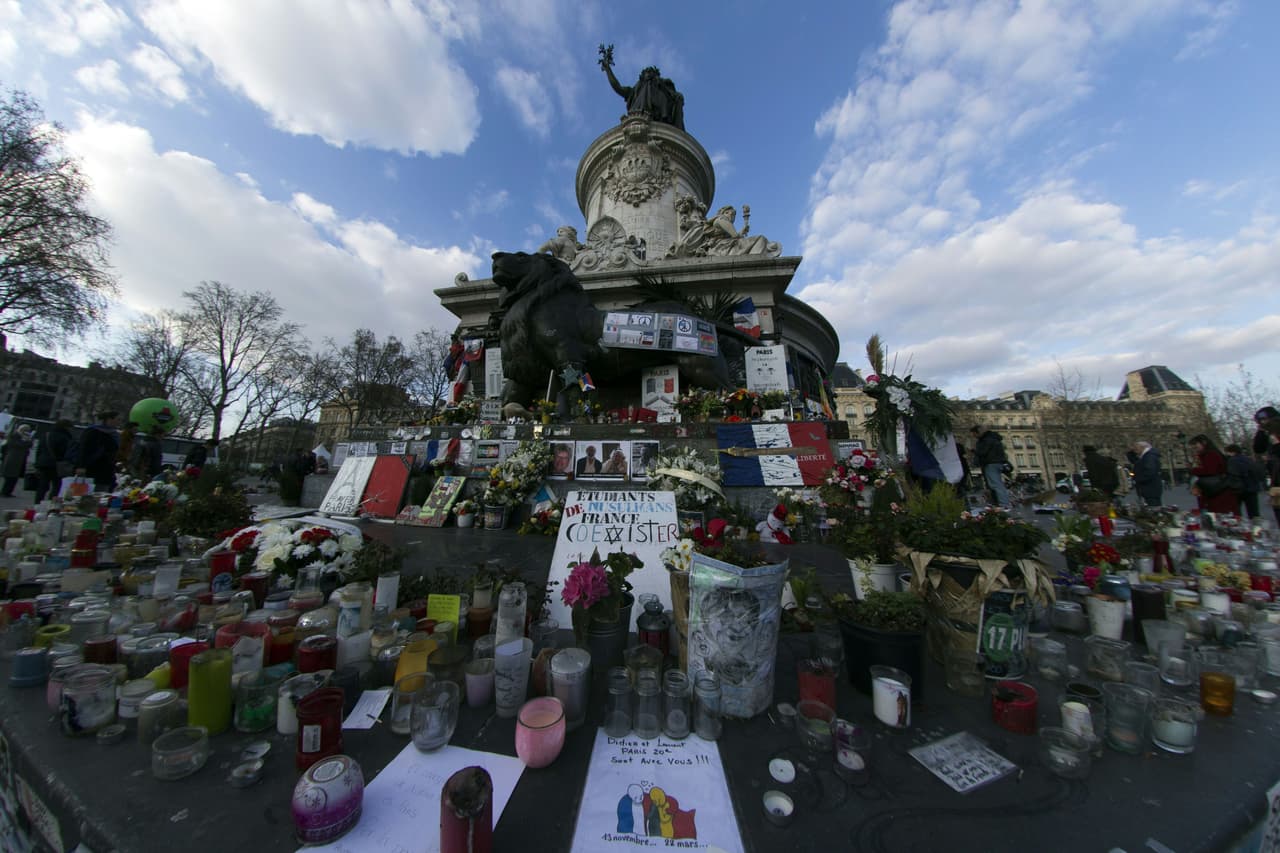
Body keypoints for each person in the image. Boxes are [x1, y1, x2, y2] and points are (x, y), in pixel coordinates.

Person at [598, 46, 685, 129]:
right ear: (642, 76)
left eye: (651, 72)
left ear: (656, 75)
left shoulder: (663, 86)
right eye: (646, 72)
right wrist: (608, 69)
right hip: (637, 117)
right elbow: (618, 87)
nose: (648, 74)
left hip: (661, 117)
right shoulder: (634, 91)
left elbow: (675, 97)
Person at [1189, 434, 1238, 514]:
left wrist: (1194, 470)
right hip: (1214, 489)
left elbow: (1210, 470)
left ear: (1204, 443)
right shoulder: (1206, 454)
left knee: (1217, 513)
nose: (1194, 447)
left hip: (1216, 490)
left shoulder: (1211, 454)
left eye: (1195, 444)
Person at [76, 411, 122, 492]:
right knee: (85, 493)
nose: (119, 422)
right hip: (92, 467)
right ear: (109, 419)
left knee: (101, 494)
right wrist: (81, 466)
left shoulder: (114, 434)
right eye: (118, 419)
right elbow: (83, 449)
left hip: (106, 469)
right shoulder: (92, 431)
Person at [33, 419, 74, 503]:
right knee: (57, 486)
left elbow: (39, 450)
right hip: (58, 465)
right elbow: (65, 453)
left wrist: (37, 463)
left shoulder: (46, 435)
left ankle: (37, 503)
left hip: (44, 464)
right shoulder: (65, 437)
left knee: (42, 486)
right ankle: (51, 504)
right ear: (66, 427)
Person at [970, 426, 1011, 508]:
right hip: (998, 463)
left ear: (978, 432)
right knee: (996, 484)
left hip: (990, 463)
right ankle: (1000, 503)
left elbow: (983, 452)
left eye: (974, 434)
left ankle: (1004, 504)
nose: (973, 436)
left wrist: (973, 451)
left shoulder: (986, 440)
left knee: (996, 484)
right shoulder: (994, 439)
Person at [1225, 443, 1266, 519]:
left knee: (1236, 513)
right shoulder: (1249, 459)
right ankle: (1257, 528)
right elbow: (1258, 472)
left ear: (1232, 452)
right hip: (1252, 488)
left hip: (1239, 489)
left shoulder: (1232, 461)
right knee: (1254, 513)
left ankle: (1239, 528)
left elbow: (1232, 475)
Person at [0, 423, 34, 497]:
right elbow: (17, 445)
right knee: (10, 477)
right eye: (26, 430)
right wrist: (26, 441)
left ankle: (8, 492)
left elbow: (30, 445)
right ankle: (4, 492)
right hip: (13, 458)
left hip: (20, 459)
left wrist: (28, 440)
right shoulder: (14, 435)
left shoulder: (25, 437)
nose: (27, 432)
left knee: (14, 477)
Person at [1130, 441, 1164, 507]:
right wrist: (1130, 452)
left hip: (1150, 487)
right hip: (1150, 487)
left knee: (1153, 507)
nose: (1134, 449)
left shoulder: (1149, 456)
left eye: (1136, 447)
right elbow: (1135, 462)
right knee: (1153, 506)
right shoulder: (1146, 455)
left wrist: (1137, 479)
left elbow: (1150, 471)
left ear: (1142, 447)